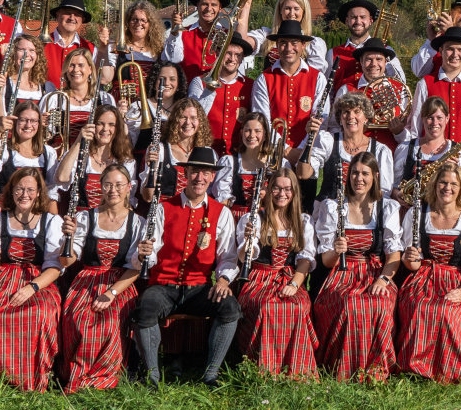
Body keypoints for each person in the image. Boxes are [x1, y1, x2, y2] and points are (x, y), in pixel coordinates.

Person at [131, 147, 242, 387]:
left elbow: (228, 257)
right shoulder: (162, 208)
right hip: (164, 285)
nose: (199, 178)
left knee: (230, 307)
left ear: (212, 177)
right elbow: (150, 252)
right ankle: (151, 376)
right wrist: (143, 256)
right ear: (185, 174)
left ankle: (211, 374)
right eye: (194, 172)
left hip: (199, 286)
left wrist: (223, 280)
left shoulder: (221, 213)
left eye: (205, 173)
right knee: (146, 307)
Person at [0, 167, 63, 391]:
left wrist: (32, 288)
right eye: (19, 189)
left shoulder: (50, 222)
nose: (24, 194)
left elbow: (55, 267)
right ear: (11, 191)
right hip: (1, 278)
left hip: (38, 281)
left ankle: (31, 379)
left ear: (39, 193)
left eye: (30, 189)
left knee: (41, 314)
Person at [312, 152, 405, 381]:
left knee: (381, 304)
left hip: (376, 272)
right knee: (350, 304)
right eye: (354, 173)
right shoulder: (333, 207)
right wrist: (336, 250)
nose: (359, 178)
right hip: (341, 273)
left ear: (375, 176)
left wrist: (383, 281)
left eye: (365, 173)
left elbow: (394, 256)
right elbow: (326, 261)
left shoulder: (387, 208)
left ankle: (376, 369)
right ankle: (344, 368)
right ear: (348, 175)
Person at [57, 165, 143, 392]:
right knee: (78, 317)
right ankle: (76, 373)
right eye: (107, 184)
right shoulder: (86, 217)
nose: (113, 190)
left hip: (120, 283)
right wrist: (69, 238)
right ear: (100, 187)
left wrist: (111, 293)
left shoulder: (138, 223)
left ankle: (101, 377)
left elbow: (135, 269)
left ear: (128, 188)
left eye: (118, 185)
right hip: (87, 279)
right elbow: (67, 262)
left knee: (109, 321)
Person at [395, 164, 461, 383]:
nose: (448, 188)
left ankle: (449, 370)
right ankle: (415, 368)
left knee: (448, 312)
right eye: (443, 182)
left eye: (454, 184)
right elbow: (410, 264)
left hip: (456, 279)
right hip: (422, 278)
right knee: (420, 307)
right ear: (434, 185)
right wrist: (411, 258)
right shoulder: (418, 214)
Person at [233, 166, 319, 378]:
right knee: (267, 306)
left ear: (294, 192)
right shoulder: (253, 219)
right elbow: (245, 259)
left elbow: (305, 262)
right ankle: (261, 368)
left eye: (288, 189)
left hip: (289, 278)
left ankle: (295, 369)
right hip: (258, 277)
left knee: (298, 305)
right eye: (277, 189)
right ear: (269, 190)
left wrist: (293, 285)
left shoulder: (303, 221)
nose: (282, 194)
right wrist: (248, 240)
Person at [0, 101, 57, 231]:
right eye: (23, 120)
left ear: (40, 123)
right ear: (14, 121)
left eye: (33, 121)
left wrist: (52, 225)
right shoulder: (3, 148)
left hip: (36, 220)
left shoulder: (48, 153)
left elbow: (51, 194)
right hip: (5, 216)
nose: (28, 125)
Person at [305, 92, 395, 209]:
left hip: (363, 215)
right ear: (340, 117)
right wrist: (310, 138)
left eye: (357, 111)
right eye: (346, 112)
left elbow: (384, 192)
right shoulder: (329, 141)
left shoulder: (380, 151)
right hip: (328, 214)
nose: (351, 116)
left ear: (366, 118)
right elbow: (304, 174)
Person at [251, 19, 328, 155]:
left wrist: (302, 150)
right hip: (273, 154)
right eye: (283, 43)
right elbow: (262, 121)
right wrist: (285, 151)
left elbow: (321, 120)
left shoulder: (318, 78)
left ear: (303, 45)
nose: (288, 48)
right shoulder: (263, 79)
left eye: (294, 43)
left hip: (307, 154)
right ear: (276, 45)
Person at [406, 27, 461, 143]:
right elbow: (416, 125)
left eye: (460, 50)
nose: (455, 54)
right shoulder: (425, 83)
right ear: (441, 50)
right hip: (432, 157)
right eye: (450, 49)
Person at [394, 97, 461, 209]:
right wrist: (398, 195)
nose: (435, 123)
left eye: (439, 117)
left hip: (448, 218)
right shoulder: (406, 148)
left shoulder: (460, 153)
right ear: (423, 119)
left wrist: (459, 173)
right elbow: (393, 186)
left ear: (447, 118)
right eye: (430, 118)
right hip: (412, 216)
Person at [52, 104, 136, 220]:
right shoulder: (81, 156)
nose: (105, 129)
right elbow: (61, 178)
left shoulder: (125, 161)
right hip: (83, 222)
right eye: (100, 124)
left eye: (111, 125)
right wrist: (79, 141)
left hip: (112, 221)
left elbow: (128, 201)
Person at [332, 38, 410, 150]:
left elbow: (409, 136)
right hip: (356, 155)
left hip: (390, 155)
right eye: (368, 59)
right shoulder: (346, 90)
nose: (374, 64)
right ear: (361, 62)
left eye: (379, 59)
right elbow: (334, 126)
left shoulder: (400, 88)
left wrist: (399, 132)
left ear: (385, 62)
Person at [188, 34, 255, 155]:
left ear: (242, 58)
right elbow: (193, 117)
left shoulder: (250, 85)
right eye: (228, 53)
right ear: (218, 53)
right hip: (204, 154)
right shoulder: (199, 81)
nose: (232, 59)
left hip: (238, 155)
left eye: (237, 55)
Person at [139, 98, 211, 207]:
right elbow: (148, 197)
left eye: (193, 118)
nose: (188, 122)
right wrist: (151, 170)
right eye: (183, 117)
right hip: (165, 213)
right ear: (174, 120)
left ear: (200, 121)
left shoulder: (208, 153)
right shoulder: (160, 150)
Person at [243, 0, 329, 72]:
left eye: (296, 9)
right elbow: (242, 44)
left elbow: (313, 79)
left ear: (304, 12)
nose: (292, 14)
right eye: (287, 8)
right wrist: (245, 8)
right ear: (280, 10)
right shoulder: (267, 36)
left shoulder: (313, 44)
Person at [330, 0, 406, 92]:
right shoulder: (333, 53)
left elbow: (400, 83)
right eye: (353, 17)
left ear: (371, 20)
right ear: (346, 21)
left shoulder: (386, 50)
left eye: (363, 17)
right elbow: (329, 89)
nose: (358, 21)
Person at [0, 34, 53, 132]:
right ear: (13, 54)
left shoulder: (47, 87)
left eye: (32, 50)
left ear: (38, 56)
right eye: (21, 50)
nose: (27, 54)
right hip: (5, 143)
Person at [101, 0, 164, 107]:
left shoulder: (159, 50)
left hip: (149, 104)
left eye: (143, 20)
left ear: (150, 24)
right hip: (122, 103)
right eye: (134, 19)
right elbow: (105, 79)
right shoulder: (115, 46)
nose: (139, 23)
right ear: (127, 23)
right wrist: (103, 48)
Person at [217, 112, 278, 219]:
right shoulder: (229, 162)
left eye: (257, 131)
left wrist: (268, 197)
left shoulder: (275, 163)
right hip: (234, 220)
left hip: (265, 219)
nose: (252, 135)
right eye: (247, 130)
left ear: (265, 135)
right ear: (241, 133)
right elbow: (222, 201)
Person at [164, 0, 229, 84]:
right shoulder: (182, 33)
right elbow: (170, 60)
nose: (209, 8)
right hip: (187, 95)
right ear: (197, 6)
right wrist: (174, 32)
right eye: (204, 4)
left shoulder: (227, 35)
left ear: (220, 8)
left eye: (214, 5)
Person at [57, 47, 114, 147]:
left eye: (80, 65)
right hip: (62, 158)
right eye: (71, 65)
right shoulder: (55, 98)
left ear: (90, 69)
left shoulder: (105, 98)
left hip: (94, 157)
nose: (76, 70)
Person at [42, 0, 97, 89]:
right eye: (67, 13)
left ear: (82, 20)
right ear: (58, 15)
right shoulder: (40, 43)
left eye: (77, 15)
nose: (72, 18)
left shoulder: (91, 48)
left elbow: (97, 80)